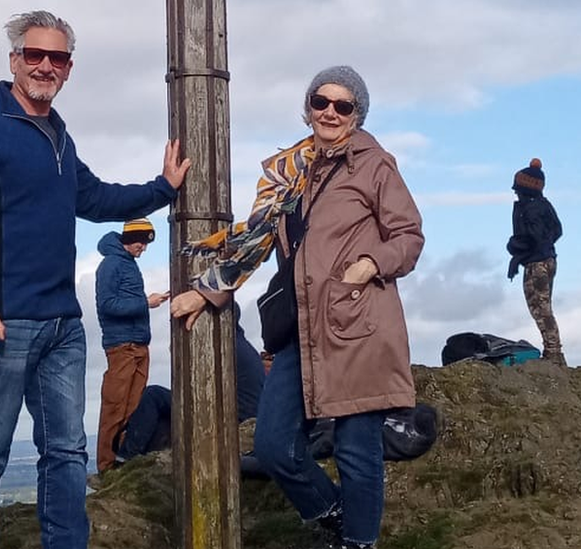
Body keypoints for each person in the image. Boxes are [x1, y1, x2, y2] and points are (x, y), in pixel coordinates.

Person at [0, 10, 191, 549]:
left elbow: (94, 198)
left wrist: (162, 189)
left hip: (62, 326)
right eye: (35, 55)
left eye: (58, 58)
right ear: (14, 60)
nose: (45, 66)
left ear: (69, 68)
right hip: (4, 320)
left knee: (67, 451)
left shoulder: (58, 136)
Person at [170, 65, 424, 549]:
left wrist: (370, 263)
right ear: (308, 109)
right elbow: (255, 242)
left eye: (343, 105)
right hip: (299, 331)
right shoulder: (292, 175)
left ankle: (357, 542)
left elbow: (409, 235)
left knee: (356, 451)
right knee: (273, 446)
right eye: (320, 102)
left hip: (357, 327)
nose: (330, 112)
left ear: (357, 114)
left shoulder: (374, 165)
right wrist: (204, 292)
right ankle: (334, 518)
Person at [113, 303, 265, 463]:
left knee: (154, 396)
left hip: (231, 417)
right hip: (243, 415)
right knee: (163, 409)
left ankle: (125, 458)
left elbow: (195, 391)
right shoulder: (239, 344)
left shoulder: (220, 345)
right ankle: (133, 458)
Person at [93, 217, 169, 472]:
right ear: (131, 238)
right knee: (115, 405)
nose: (144, 248)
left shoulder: (129, 265)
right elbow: (106, 305)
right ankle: (106, 466)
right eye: (142, 242)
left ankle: (124, 458)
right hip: (121, 346)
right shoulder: (111, 265)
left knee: (134, 406)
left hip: (138, 345)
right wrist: (145, 303)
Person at [506, 158, 564, 366]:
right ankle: (553, 351)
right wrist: (545, 247)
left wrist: (515, 248)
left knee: (540, 308)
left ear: (525, 188)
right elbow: (557, 230)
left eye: (517, 188)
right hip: (549, 260)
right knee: (544, 306)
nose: (515, 192)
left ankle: (554, 354)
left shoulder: (529, 209)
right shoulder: (545, 205)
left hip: (536, 264)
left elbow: (532, 236)